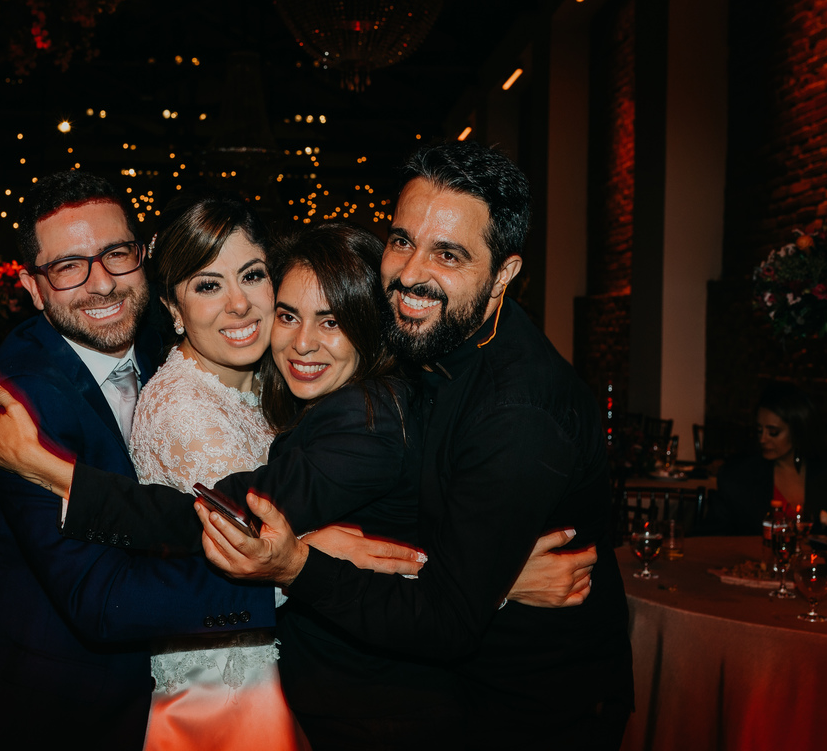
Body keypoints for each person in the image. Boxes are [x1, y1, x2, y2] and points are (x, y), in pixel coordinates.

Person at [0, 221, 596, 749]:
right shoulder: (309, 394)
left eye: (331, 321)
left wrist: (52, 470)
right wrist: (483, 577)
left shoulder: (364, 417)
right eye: (289, 315)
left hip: (375, 699)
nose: (298, 342)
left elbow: (214, 517)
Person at [194, 141, 634, 748]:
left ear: (504, 272)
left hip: (534, 708)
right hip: (451, 693)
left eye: (447, 253)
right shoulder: (432, 339)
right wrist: (493, 580)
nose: (409, 272)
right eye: (402, 240)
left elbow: (447, 621)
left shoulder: (517, 412)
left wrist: (300, 566)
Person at [0, 170, 279, 748]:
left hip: (163, 689)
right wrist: (287, 577)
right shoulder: (22, 403)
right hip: (62, 702)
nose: (101, 283)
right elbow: (101, 599)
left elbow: (167, 508)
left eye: (115, 253)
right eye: (68, 266)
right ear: (33, 288)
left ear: (143, 256)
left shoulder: (167, 330)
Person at [121, 193, 302, 751]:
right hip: (231, 694)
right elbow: (270, 564)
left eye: (251, 275)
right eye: (207, 284)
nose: (240, 304)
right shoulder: (183, 411)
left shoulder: (266, 385)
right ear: (172, 310)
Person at [704, 381, 827, 535]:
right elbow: (712, 537)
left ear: (799, 430)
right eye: (759, 430)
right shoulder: (738, 477)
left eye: (773, 432)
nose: (763, 439)